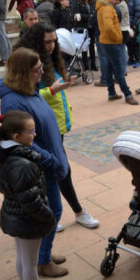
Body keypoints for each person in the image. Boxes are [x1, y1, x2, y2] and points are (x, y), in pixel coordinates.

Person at [15, 23, 100, 231]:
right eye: (47, 41)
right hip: (42, 125)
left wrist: (59, 90)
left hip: (56, 124)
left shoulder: (52, 58)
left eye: (54, 41)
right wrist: (51, 90)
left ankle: (51, 214)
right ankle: (76, 212)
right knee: (61, 169)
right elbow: (26, 96)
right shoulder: (30, 62)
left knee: (53, 170)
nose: (52, 45)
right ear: (37, 42)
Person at [0, 48, 69, 278]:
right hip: (41, 167)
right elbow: (24, 142)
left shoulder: (30, 90)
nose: (42, 71)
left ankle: (42, 253)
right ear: (23, 72)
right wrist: (50, 160)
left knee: (52, 211)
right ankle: (42, 261)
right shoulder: (12, 101)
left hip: (50, 162)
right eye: (37, 68)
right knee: (52, 211)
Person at [0, 110, 63, 280]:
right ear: (16, 137)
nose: (34, 135)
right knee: (30, 263)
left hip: (14, 214)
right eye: (31, 132)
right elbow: (31, 201)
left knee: (22, 256)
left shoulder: (3, 154)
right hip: (28, 220)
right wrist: (49, 217)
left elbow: (0, 185)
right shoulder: (23, 164)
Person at [96, 0, 139, 105]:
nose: (117, 2)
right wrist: (118, 38)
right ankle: (128, 94)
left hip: (107, 42)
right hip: (112, 43)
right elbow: (109, 28)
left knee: (110, 68)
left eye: (119, 0)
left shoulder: (105, 7)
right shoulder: (107, 9)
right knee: (119, 70)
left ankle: (112, 93)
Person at [73, 0, 97, 70]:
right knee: (84, 47)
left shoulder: (93, 2)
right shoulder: (78, 3)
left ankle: (93, 65)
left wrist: (86, 16)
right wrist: (89, 16)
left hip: (92, 27)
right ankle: (86, 66)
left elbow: (95, 14)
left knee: (91, 46)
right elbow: (78, 16)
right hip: (83, 28)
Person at [124, 0, 140, 67]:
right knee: (128, 42)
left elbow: (138, 13)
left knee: (134, 43)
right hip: (126, 25)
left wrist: (134, 23)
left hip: (133, 25)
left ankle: (137, 59)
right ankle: (131, 59)